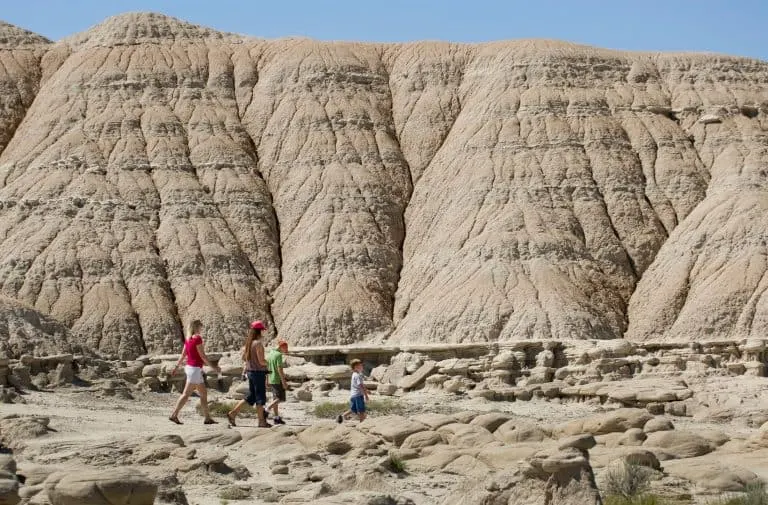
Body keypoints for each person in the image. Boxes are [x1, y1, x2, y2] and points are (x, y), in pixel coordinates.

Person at [169, 319, 220, 425]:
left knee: (203, 394)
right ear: (196, 327)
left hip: (190, 368)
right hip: (195, 370)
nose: (201, 329)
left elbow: (183, 355)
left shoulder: (187, 339)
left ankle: (207, 418)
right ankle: (174, 415)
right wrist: (213, 367)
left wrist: (176, 367)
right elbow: (202, 356)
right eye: (200, 326)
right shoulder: (197, 338)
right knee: (186, 394)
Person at [227, 320, 270, 427]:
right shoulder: (258, 344)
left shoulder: (248, 344)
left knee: (251, 397)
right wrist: (269, 363)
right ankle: (261, 422)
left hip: (250, 372)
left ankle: (233, 413)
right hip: (258, 373)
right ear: (259, 331)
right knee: (260, 398)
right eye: (263, 331)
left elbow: (244, 358)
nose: (264, 333)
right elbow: (261, 361)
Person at [337, 359, 369, 423]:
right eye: (361, 366)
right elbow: (361, 385)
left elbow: (356, 386)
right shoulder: (358, 375)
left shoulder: (354, 374)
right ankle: (362, 423)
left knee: (353, 409)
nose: (362, 367)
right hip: (358, 395)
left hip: (353, 395)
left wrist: (367, 390)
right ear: (356, 367)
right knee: (361, 411)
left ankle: (342, 416)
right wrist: (366, 395)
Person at [266, 339, 289, 425]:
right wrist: (284, 382)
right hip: (277, 379)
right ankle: (266, 409)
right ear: (282, 346)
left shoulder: (270, 354)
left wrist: (267, 380)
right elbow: (280, 369)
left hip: (271, 379)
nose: (287, 350)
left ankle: (276, 418)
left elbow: (267, 369)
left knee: (275, 399)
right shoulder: (278, 355)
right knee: (281, 398)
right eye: (286, 347)